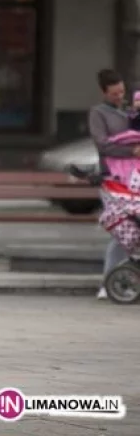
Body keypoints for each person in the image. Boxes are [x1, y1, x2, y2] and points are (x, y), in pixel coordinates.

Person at [88, 68, 134, 299]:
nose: (119, 97)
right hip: (111, 178)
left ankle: (125, 279)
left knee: (133, 229)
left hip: (133, 178)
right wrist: (131, 150)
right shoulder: (98, 114)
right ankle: (109, 282)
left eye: (122, 92)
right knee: (120, 229)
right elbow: (103, 145)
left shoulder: (128, 112)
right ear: (104, 92)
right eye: (115, 93)